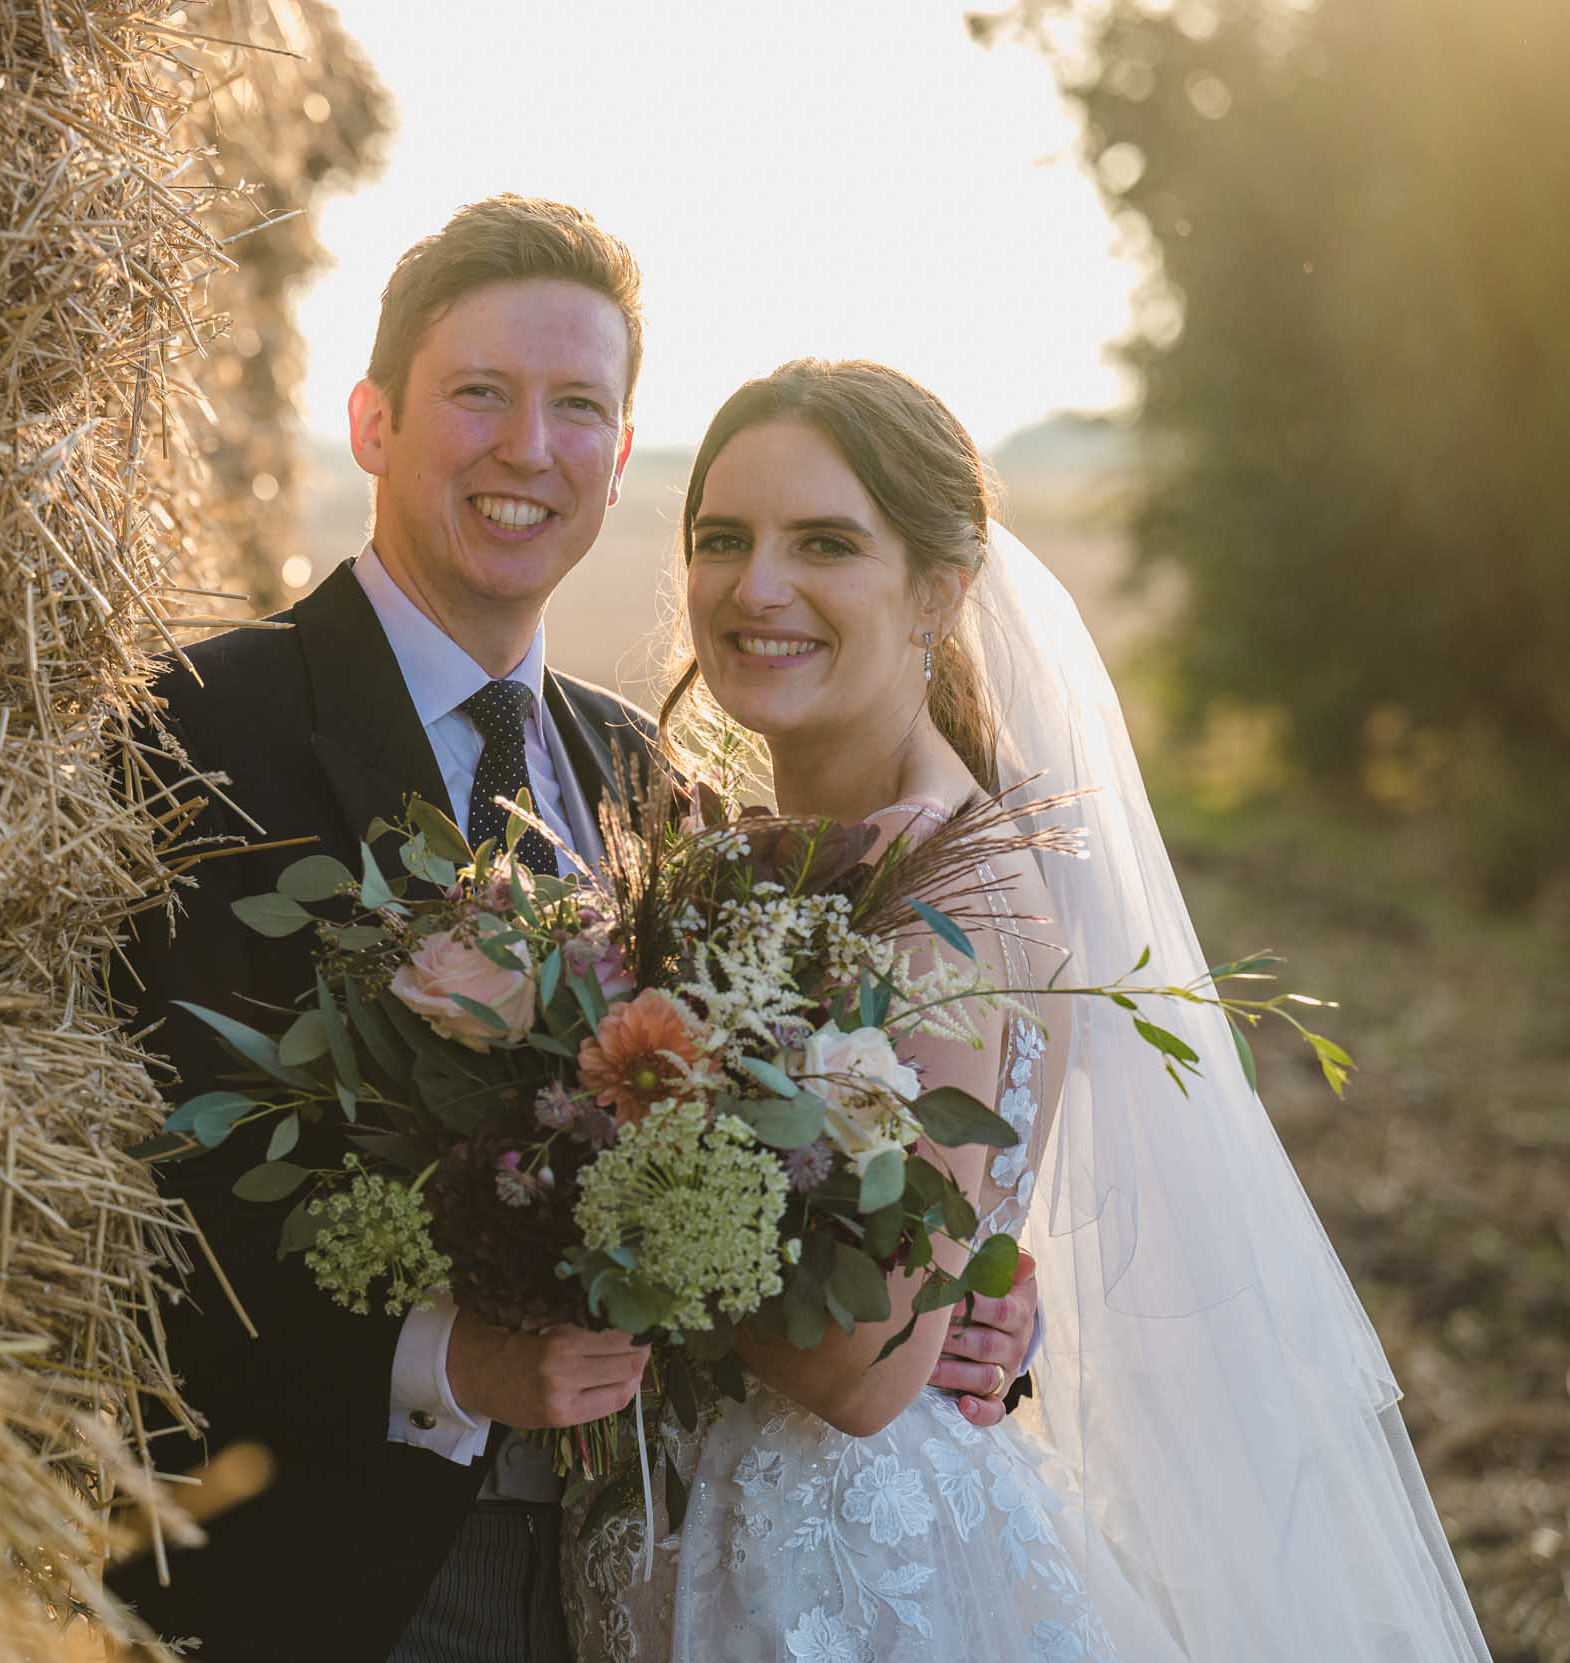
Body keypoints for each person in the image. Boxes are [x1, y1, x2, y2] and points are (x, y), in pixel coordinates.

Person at [109, 205, 1038, 1663]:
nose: (528, 448)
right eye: (480, 393)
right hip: (343, 1577)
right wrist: (440, 1361)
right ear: (372, 421)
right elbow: (134, 1173)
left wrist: (959, 1299)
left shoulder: (650, 787)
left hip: (652, 1573)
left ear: (618, 460)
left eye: (579, 410)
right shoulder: (209, 725)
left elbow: (808, 1173)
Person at [577, 358, 1491, 1662]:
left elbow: (865, 1364)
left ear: (939, 590)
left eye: (823, 543)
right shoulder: (731, 855)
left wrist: (575, 1181)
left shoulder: (960, 909)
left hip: (845, 1587)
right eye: (722, 538)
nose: (755, 585)